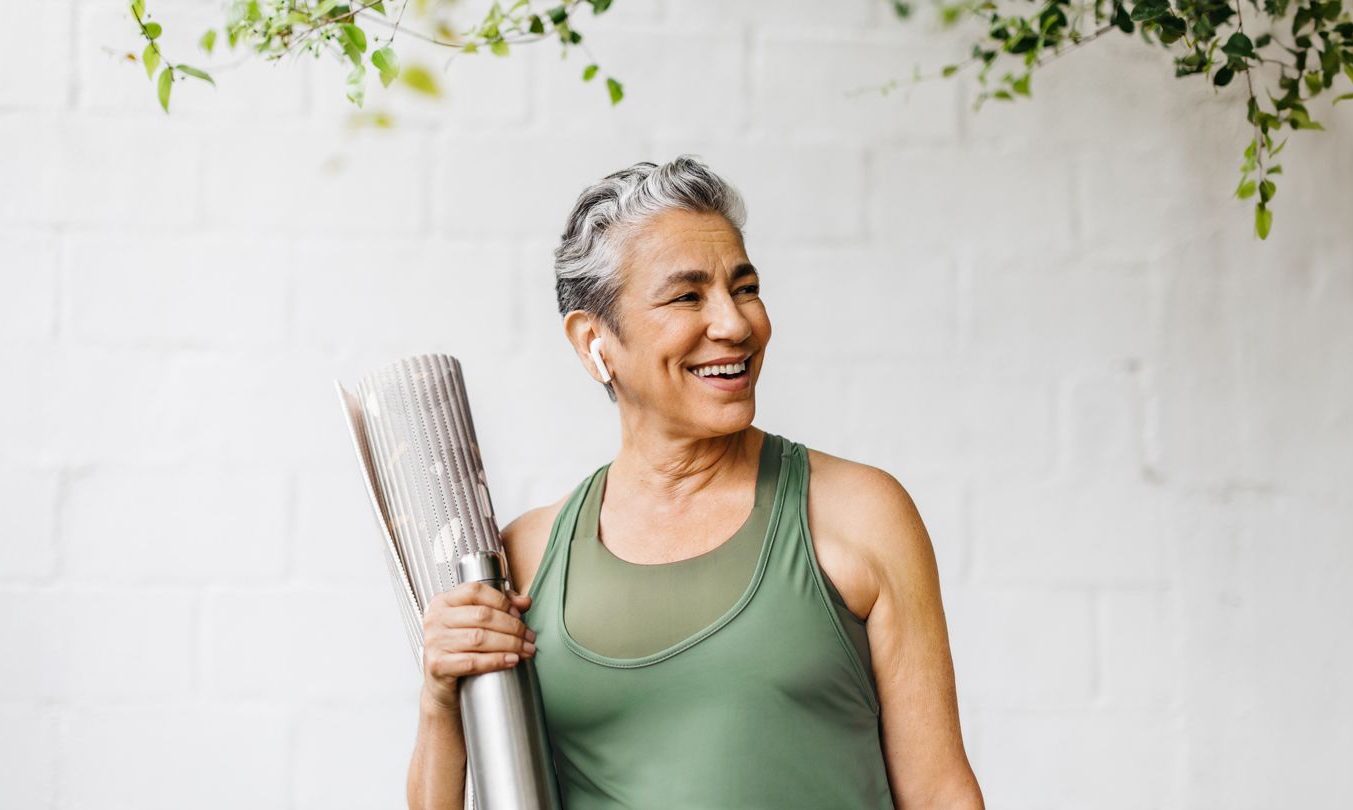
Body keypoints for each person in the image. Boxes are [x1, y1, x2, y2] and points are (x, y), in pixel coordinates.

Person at [407, 156, 984, 809]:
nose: (735, 325)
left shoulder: (856, 513)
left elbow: (940, 792)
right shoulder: (531, 555)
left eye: (744, 287)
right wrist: (437, 699)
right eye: (687, 296)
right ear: (594, 341)